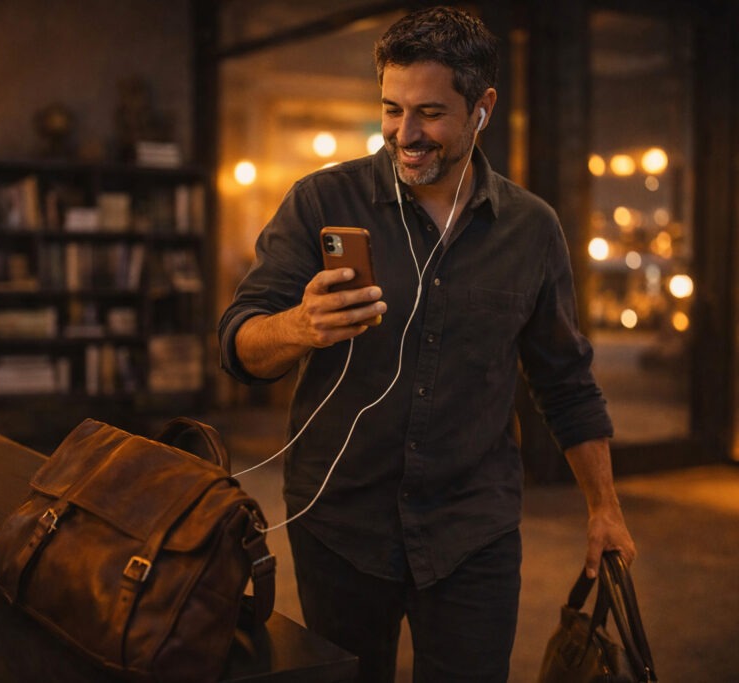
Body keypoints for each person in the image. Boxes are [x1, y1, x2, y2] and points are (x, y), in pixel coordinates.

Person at [217, 6, 636, 682]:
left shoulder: (532, 229)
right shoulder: (322, 200)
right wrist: (300, 325)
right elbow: (237, 343)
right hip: (340, 525)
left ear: (483, 107)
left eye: (431, 113)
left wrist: (604, 508)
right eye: (391, 108)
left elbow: (566, 381)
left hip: (474, 531)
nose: (404, 135)